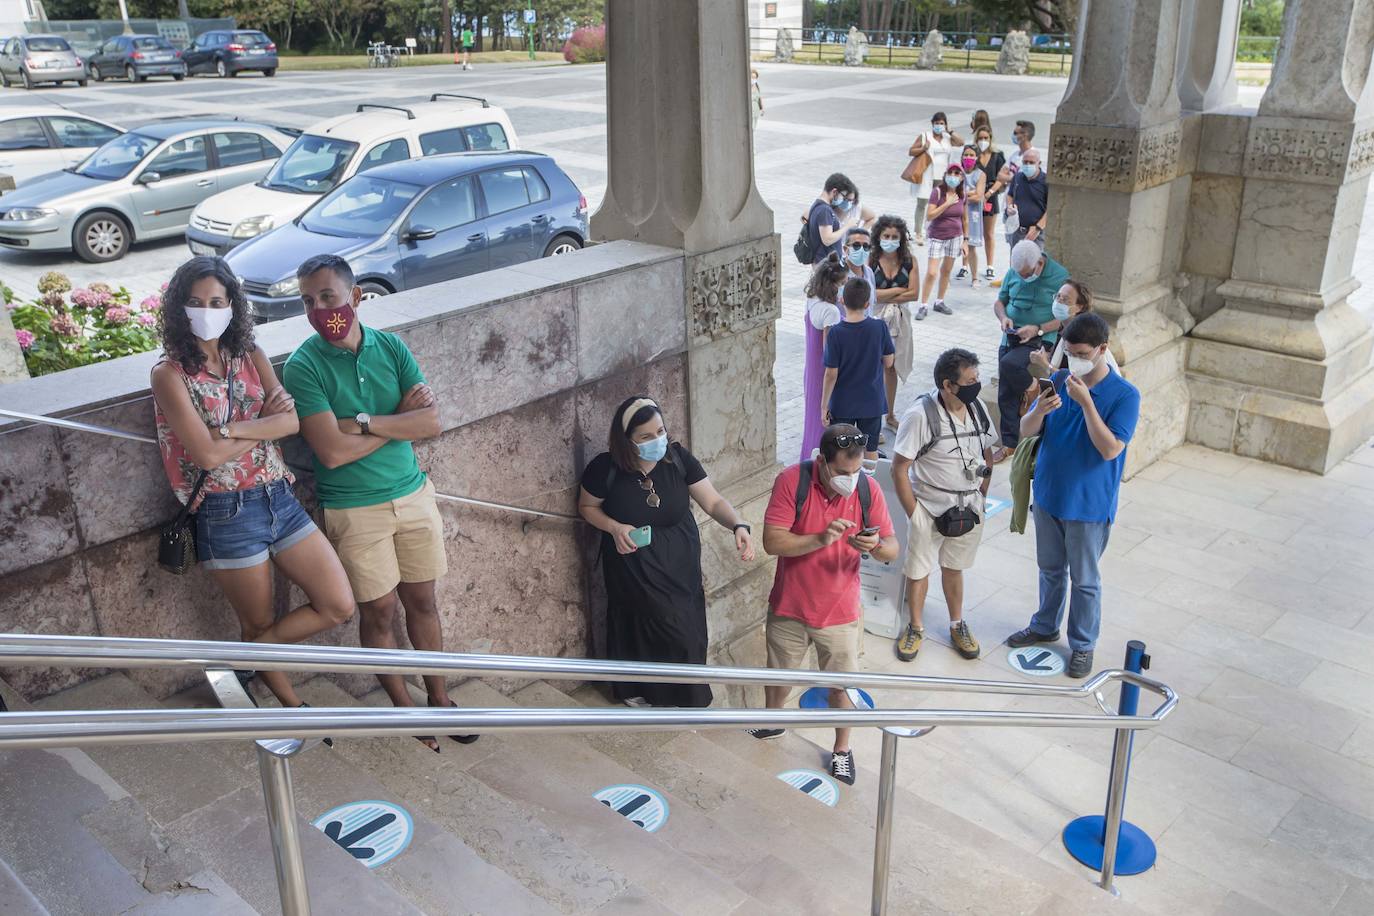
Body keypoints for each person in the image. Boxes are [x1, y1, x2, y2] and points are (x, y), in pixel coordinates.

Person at [282, 254, 473, 752]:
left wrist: (362, 423)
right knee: (381, 611)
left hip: (412, 495)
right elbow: (331, 452)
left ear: (355, 296)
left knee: (423, 602)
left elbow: (430, 424)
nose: (320, 309)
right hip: (353, 508)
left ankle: (439, 697)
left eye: (328, 296)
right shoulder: (304, 365)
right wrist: (393, 421)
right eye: (308, 301)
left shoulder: (391, 347)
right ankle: (404, 709)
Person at [150, 256, 355, 713]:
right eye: (196, 301)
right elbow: (203, 456)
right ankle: (291, 706)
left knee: (338, 603)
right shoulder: (170, 374)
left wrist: (230, 431)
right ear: (179, 309)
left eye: (217, 301)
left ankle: (236, 663)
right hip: (225, 511)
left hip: (278, 496)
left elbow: (290, 422)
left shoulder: (249, 355)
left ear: (232, 306)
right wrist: (257, 424)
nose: (207, 309)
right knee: (258, 620)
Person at [579, 397, 754, 707]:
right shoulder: (603, 469)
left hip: (681, 562)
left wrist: (738, 524)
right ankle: (668, 694)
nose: (656, 441)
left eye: (660, 431)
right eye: (646, 436)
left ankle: (672, 693)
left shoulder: (678, 459)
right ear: (626, 440)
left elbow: (712, 501)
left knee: (687, 624)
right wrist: (613, 527)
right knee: (658, 623)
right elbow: (588, 507)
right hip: (634, 562)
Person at [754, 424, 900, 785]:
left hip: (841, 613)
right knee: (779, 676)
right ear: (821, 461)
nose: (851, 479)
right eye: (842, 472)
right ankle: (773, 722)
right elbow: (773, 542)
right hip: (790, 605)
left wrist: (876, 547)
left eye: (856, 471)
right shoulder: (792, 481)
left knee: (842, 687)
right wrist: (820, 538)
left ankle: (841, 751)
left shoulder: (868, 489)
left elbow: (893, 548)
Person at [1007, 313, 1140, 679]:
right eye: (1068, 351)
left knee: (1084, 579)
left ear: (1102, 350)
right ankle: (1045, 624)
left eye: (1081, 353)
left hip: (1088, 504)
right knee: (1050, 570)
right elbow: (1025, 429)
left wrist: (1086, 403)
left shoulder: (1124, 395)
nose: (1073, 359)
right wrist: (1041, 411)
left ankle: (1082, 644)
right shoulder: (1061, 379)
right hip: (1049, 493)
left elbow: (1111, 449)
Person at [890, 349, 996, 663]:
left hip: (969, 507)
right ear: (948, 385)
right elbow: (899, 468)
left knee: (955, 567)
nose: (975, 385)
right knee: (918, 569)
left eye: (977, 379)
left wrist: (982, 493)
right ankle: (916, 626)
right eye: (970, 381)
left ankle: (956, 623)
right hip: (930, 507)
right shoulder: (921, 415)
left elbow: (988, 451)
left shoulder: (976, 407)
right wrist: (916, 515)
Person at [993, 241, 1070, 452]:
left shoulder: (1059, 277)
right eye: (1020, 274)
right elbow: (999, 302)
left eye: (1027, 274)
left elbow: (1066, 317)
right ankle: (1009, 443)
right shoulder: (1013, 272)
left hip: (1040, 337)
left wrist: (1038, 329)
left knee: (1009, 365)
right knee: (1005, 389)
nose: (1024, 278)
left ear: (1039, 262)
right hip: (1012, 334)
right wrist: (1004, 318)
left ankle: (1032, 386)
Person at [822, 278, 895, 461]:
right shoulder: (879, 327)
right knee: (870, 449)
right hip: (871, 401)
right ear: (867, 303)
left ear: (842, 301)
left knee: (841, 450)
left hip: (842, 404)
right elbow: (888, 362)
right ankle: (869, 487)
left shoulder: (836, 333)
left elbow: (831, 374)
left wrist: (824, 406)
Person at [870, 215, 920, 434]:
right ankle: (873, 418)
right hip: (875, 319)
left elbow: (915, 293)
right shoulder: (871, 261)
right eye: (886, 236)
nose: (890, 240)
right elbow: (870, 295)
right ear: (879, 237)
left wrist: (884, 295)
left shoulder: (909, 261)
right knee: (874, 368)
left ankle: (890, 414)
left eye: (894, 237)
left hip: (899, 321)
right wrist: (900, 290)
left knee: (892, 366)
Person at [800, 254, 850, 462]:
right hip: (823, 369)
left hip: (811, 367)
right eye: (843, 283)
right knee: (823, 418)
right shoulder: (831, 311)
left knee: (811, 416)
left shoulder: (812, 300)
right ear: (834, 284)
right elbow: (830, 348)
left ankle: (808, 456)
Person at [1029, 281, 1120, 376]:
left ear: (1079, 307)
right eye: (1058, 296)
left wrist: (1045, 364)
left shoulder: (1081, 335)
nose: (1058, 301)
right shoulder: (1064, 328)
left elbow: (1076, 378)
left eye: (1065, 300)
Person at [918, 161, 968, 320]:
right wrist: (947, 204)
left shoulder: (963, 194)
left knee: (946, 270)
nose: (953, 176)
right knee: (932, 272)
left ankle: (939, 301)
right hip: (937, 236)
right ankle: (923, 304)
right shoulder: (937, 192)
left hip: (956, 236)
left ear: (961, 177)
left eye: (957, 173)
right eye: (950, 173)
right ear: (945, 175)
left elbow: (964, 219)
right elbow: (930, 215)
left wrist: (965, 240)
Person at [908, 111, 962, 246]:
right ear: (932, 124)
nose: (939, 126)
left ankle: (932, 229)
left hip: (943, 176)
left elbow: (961, 142)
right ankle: (918, 232)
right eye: (936, 123)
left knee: (939, 203)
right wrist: (923, 148)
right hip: (927, 174)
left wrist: (950, 132)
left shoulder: (947, 138)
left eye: (941, 123)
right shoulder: (925, 136)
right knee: (922, 203)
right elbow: (911, 151)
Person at [972, 124, 1006, 282]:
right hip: (974, 197)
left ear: (990, 139)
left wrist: (989, 193)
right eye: (980, 138)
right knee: (971, 232)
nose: (983, 141)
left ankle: (990, 266)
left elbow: (1002, 178)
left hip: (990, 196)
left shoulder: (998, 156)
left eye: (986, 138)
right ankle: (966, 266)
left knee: (989, 233)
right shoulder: (973, 154)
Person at [954, 145, 987, 289]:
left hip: (972, 214)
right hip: (956, 212)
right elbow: (952, 190)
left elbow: (979, 195)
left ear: (977, 157)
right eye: (965, 154)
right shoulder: (957, 172)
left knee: (972, 245)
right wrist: (969, 193)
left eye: (971, 155)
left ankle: (974, 277)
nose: (968, 157)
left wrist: (963, 194)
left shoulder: (980, 174)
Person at [806, 173, 856, 265]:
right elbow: (827, 239)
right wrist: (847, 226)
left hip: (823, 262)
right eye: (843, 196)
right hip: (827, 265)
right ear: (835, 192)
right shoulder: (824, 210)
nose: (843, 199)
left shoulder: (818, 204)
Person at [1006, 147, 1049, 249]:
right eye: (1025, 162)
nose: (1028, 165)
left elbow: (1051, 207)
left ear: (1039, 163)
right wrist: (1010, 207)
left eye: (1031, 162)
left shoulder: (1045, 181)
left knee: (1035, 263)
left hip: (1036, 233)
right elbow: (1010, 195)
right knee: (1016, 262)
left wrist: (1038, 228)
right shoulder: (1017, 177)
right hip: (1017, 230)